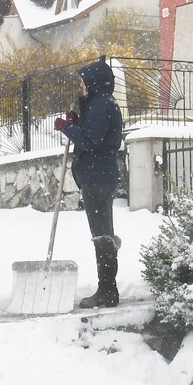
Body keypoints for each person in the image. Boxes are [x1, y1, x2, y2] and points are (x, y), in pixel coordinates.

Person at [53, 59, 123, 309]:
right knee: (102, 234)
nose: (81, 86)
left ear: (94, 81)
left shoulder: (103, 105)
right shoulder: (100, 104)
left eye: (83, 81)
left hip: (98, 178)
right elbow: (94, 133)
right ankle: (107, 287)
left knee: (102, 236)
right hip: (98, 176)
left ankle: (107, 290)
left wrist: (68, 127)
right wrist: (78, 121)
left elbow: (91, 141)